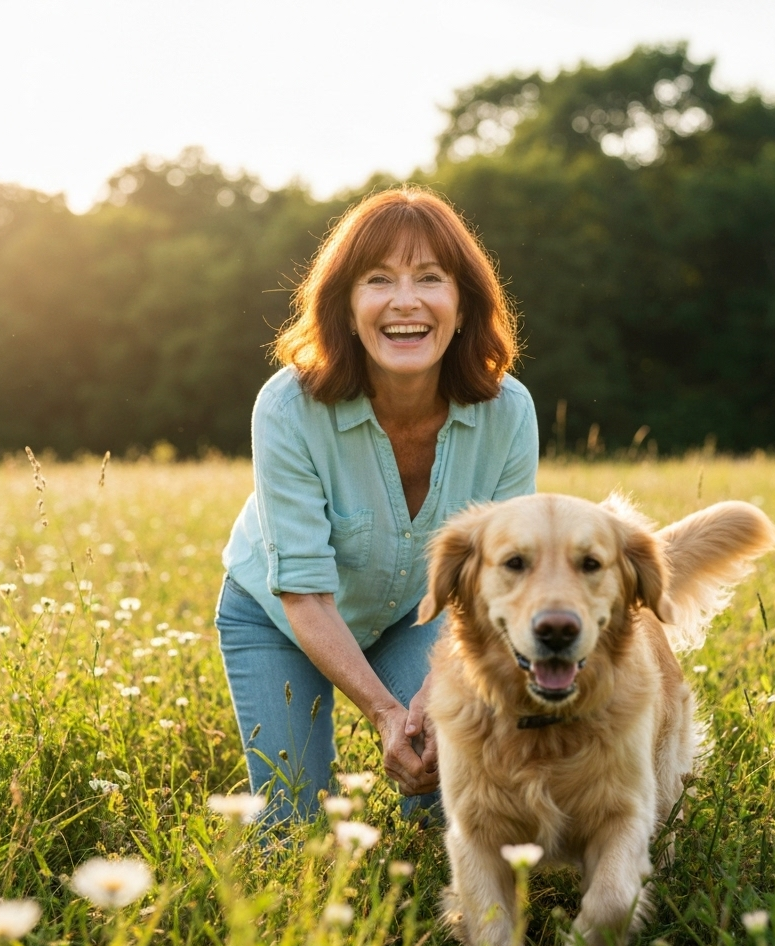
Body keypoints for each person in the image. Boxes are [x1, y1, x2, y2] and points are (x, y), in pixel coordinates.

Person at [215, 186, 539, 821]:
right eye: (379, 279)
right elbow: (305, 594)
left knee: (453, 795)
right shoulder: (287, 408)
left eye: (430, 278)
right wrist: (388, 713)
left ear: (463, 305)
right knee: (294, 835)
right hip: (279, 616)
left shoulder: (509, 412)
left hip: (415, 616)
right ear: (345, 307)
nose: (405, 301)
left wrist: (439, 693)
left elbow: (498, 584)